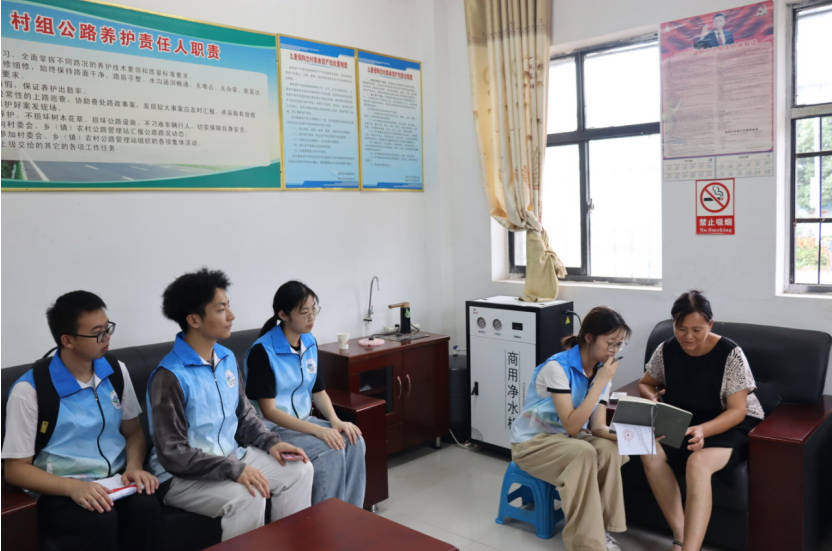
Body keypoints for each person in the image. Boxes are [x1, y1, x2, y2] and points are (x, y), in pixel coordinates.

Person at [146, 268, 313, 542]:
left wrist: (272, 443)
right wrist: (234, 470)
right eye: (221, 309)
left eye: (228, 307)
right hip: (181, 477)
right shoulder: (170, 376)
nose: (231, 316)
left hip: (232, 456)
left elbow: (244, 415)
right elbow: (173, 453)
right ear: (194, 319)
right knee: (250, 495)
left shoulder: (225, 357)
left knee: (300, 470)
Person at [2, 291, 160, 551]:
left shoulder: (115, 371)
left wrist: (134, 467)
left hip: (116, 480)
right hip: (61, 488)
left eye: (108, 328)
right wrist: (72, 487)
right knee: (100, 520)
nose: (106, 338)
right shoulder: (29, 391)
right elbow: (15, 469)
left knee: (147, 507)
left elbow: (133, 433)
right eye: (97, 333)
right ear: (68, 340)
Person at [637, 290, 764, 551]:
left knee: (697, 463)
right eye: (681, 329)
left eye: (697, 329)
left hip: (729, 423)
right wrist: (654, 399)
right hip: (685, 420)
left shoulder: (730, 354)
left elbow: (738, 411)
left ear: (710, 324)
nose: (688, 337)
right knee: (646, 447)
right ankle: (680, 534)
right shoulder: (667, 349)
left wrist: (703, 430)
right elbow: (646, 383)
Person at [510, 306, 630, 551]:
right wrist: (600, 384)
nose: (614, 351)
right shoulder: (558, 368)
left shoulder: (600, 371)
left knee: (609, 450)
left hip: (568, 438)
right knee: (583, 453)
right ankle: (587, 545)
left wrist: (631, 437)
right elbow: (572, 424)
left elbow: (598, 427)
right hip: (534, 443)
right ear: (589, 337)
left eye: (619, 345)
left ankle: (601, 530)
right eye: (610, 343)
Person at [245, 280, 366, 507]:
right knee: (330, 449)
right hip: (272, 429)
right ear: (283, 314)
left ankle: (351, 513)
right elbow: (269, 411)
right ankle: (326, 521)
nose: (311, 318)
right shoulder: (262, 351)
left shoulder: (309, 342)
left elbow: (318, 391)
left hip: (304, 421)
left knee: (354, 440)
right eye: (304, 312)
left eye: (314, 310)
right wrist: (319, 431)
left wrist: (335, 421)